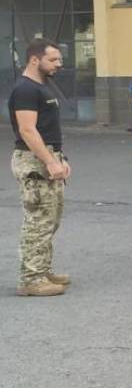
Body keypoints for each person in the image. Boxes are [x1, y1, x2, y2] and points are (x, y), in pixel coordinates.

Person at [10, 40, 71, 297]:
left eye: (59, 59)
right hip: (34, 161)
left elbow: (47, 130)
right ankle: (31, 279)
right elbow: (27, 130)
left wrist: (60, 157)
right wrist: (49, 161)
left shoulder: (40, 87)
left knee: (50, 219)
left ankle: (43, 270)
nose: (59, 64)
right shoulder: (25, 89)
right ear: (35, 60)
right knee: (38, 219)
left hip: (47, 155)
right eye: (53, 60)